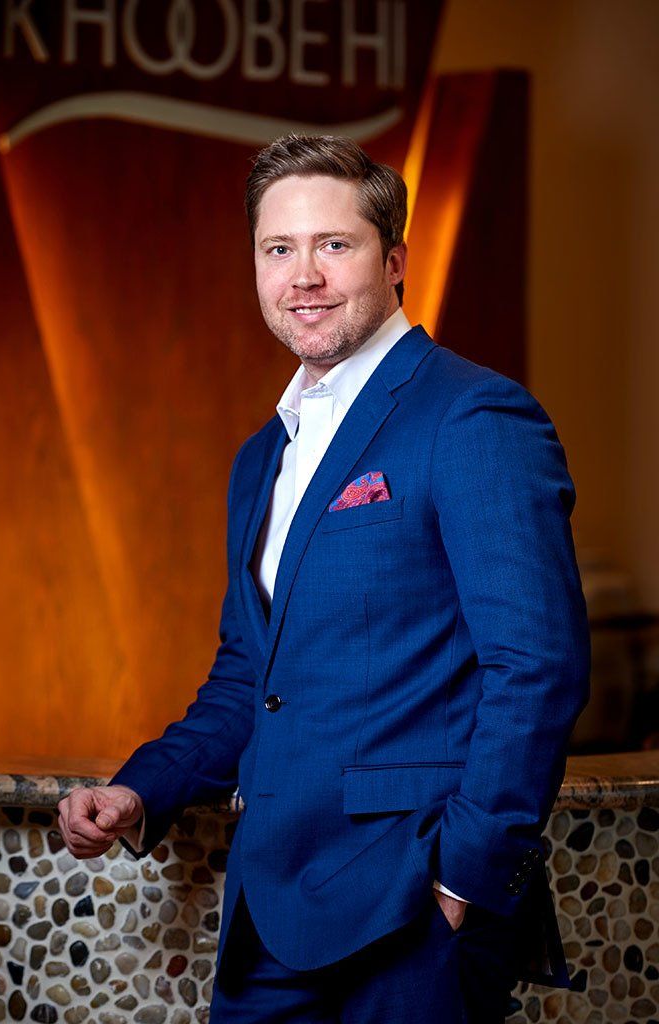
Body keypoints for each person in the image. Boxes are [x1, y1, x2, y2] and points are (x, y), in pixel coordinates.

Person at [58, 134, 590, 1022]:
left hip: (410, 912)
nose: (303, 275)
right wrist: (140, 789)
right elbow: (250, 679)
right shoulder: (261, 459)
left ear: (394, 261)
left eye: (333, 245)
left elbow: (539, 665)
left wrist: (462, 880)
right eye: (279, 248)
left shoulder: (472, 415)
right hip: (267, 915)